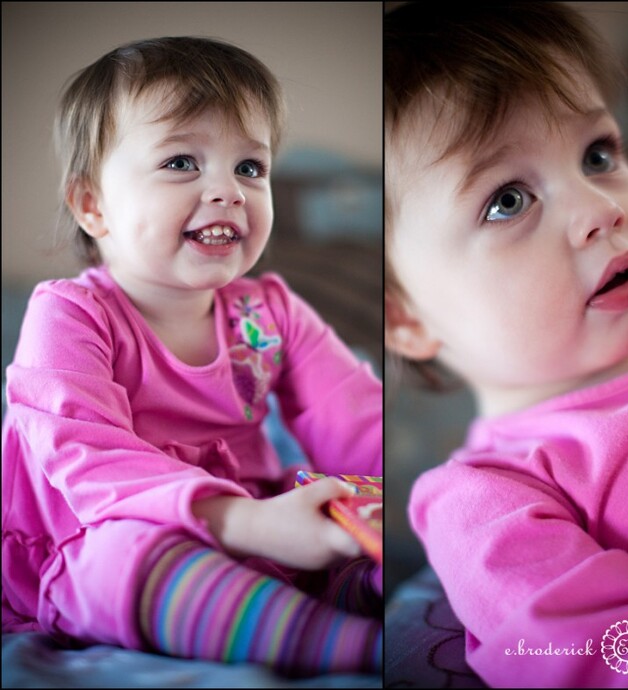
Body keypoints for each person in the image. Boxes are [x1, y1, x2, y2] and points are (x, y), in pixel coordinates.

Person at [384, 2, 628, 687]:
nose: (600, 208)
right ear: (405, 319)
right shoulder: (487, 501)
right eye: (508, 200)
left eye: (599, 155)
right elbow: (616, 659)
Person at [2, 36, 381, 677]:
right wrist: (240, 522)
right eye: (182, 162)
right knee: (125, 562)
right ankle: (341, 644)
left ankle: (348, 595)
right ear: (93, 205)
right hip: (91, 537)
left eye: (250, 168)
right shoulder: (69, 314)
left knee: (350, 533)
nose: (228, 190)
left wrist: (381, 504)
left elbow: (357, 417)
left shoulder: (272, 312)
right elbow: (88, 460)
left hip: (256, 527)